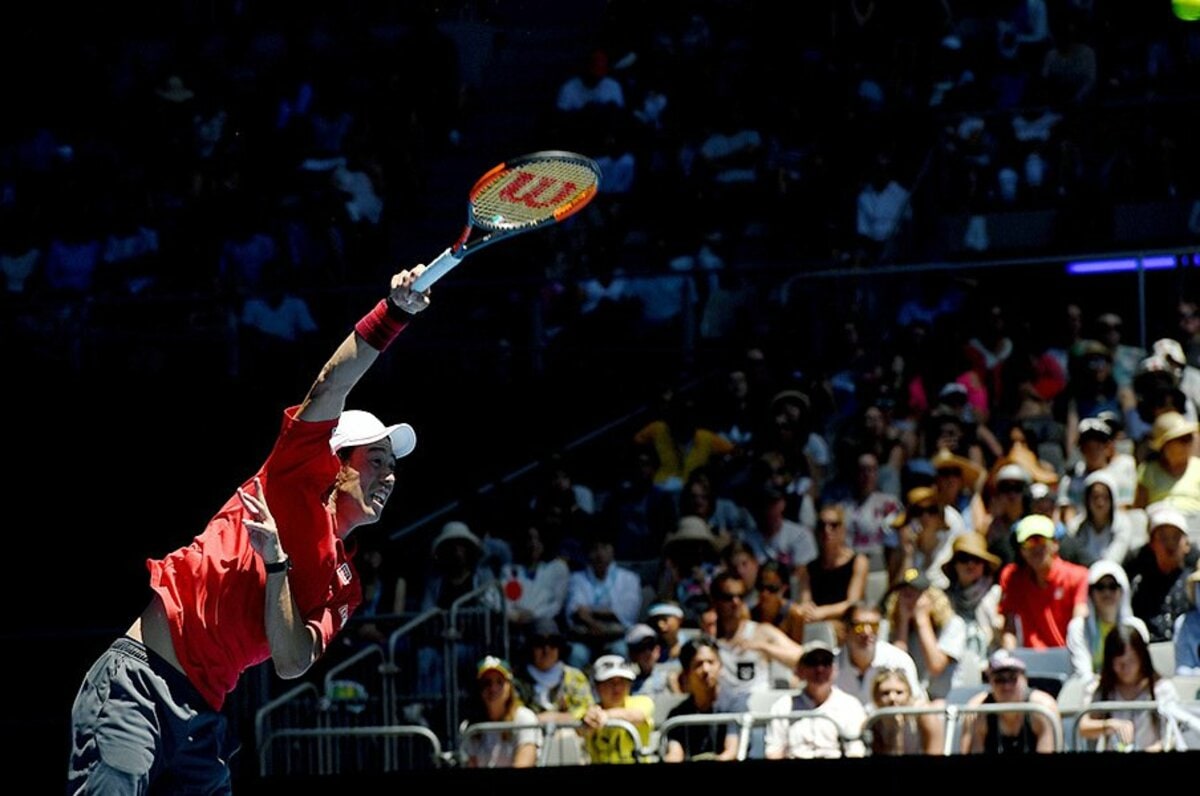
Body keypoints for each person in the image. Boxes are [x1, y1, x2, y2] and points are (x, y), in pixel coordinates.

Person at [68, 266, 430, 791]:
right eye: (376, 460)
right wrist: (394, 313)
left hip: (201, 723)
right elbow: (332, 383)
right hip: (138, 685)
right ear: (337, 463)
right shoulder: (292, 479)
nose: (389, 475)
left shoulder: (344, 584)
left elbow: (290, 661)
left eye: (392, 465)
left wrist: (278, 564)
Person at [1076, 623, 1184, 752]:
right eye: (1119, 663)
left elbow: (1174, 734)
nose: (1125, 668)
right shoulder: (1101, 689)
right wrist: (1110, 725)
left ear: (1142, 658)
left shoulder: (1162, 689)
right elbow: (1082, 727)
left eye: (1131, 660)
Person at [764, 640, 868, 759]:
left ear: (834, 670)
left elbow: (855, 751)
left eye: (826, 663)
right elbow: (774, 752)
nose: (819, 670)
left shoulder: (850, 705)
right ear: (800, 670)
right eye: (812, 663)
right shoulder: (783, 706)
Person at [998, 514, 1089, 649]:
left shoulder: (1077, 576)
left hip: (1070, 657)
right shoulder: (1014, 578)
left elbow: (1080, 622)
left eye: (1040, 540)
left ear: (1055, 544)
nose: (1035, 548)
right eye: (1028, 542)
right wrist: (1010, 657)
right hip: (1028, 661)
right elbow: (1009, 626)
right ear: (1022, 550)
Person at [960, 649, 1060, 754]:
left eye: (1013, 678)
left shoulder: (1043, 710)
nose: (1006, 686)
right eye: (1000, 679)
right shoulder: (978, 712)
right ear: (990, 682)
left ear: (1024, 679)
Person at [1126, 503, 1200, 642]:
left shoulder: (1195, 585)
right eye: (1163, 538)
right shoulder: (1139, 586)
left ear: (1187, 545)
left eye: (1176, 537)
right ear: (1152, 545)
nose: (1170, 544)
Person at [1065, 560, 1147, 683]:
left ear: (1122, 591)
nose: (1107, 593)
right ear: (1090, 593)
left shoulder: (1136, 628)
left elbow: (1142, 671)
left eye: (1113, 586)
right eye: (1100, 587)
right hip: (1093, 696)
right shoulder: (1078, 628)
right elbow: (1083, 674)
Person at [663, 635, 740, 762]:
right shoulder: (677, 716)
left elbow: (731, 753)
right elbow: (675, 755)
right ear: (687, 673)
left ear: (720, 667)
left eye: (711, 662)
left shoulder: (736, 706)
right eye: (698, 664)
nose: (706, 669)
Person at [460, 655, 539, 768]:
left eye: (500, 682)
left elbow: (525, 762)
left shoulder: (525, 719)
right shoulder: (470, 727)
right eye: (486, 683)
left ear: (509, 687)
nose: (493, 688)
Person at [941, 532, 1004, 667]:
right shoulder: (944, 599)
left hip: (991, 666)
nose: (970, 564)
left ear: (984, 565)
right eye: (964, 558)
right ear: (955, 565)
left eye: (976, 559)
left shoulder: (997, 595)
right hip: (956, 668)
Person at [581, 654, 654, 764]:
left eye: (623, 681)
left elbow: (637, 715)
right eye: (610, 682)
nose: (617, 687)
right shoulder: (591, 711)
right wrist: (587, 722)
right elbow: (579, 731)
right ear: (597, 686)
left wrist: (606, 716)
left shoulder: (642, 701)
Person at [867, 668, 943, 756]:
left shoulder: (924, 714)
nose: (892, 698)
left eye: (899, 692)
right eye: (885, 693)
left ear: (909, 694)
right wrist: (896, 731)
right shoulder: (874, 719)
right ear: (876, 697)